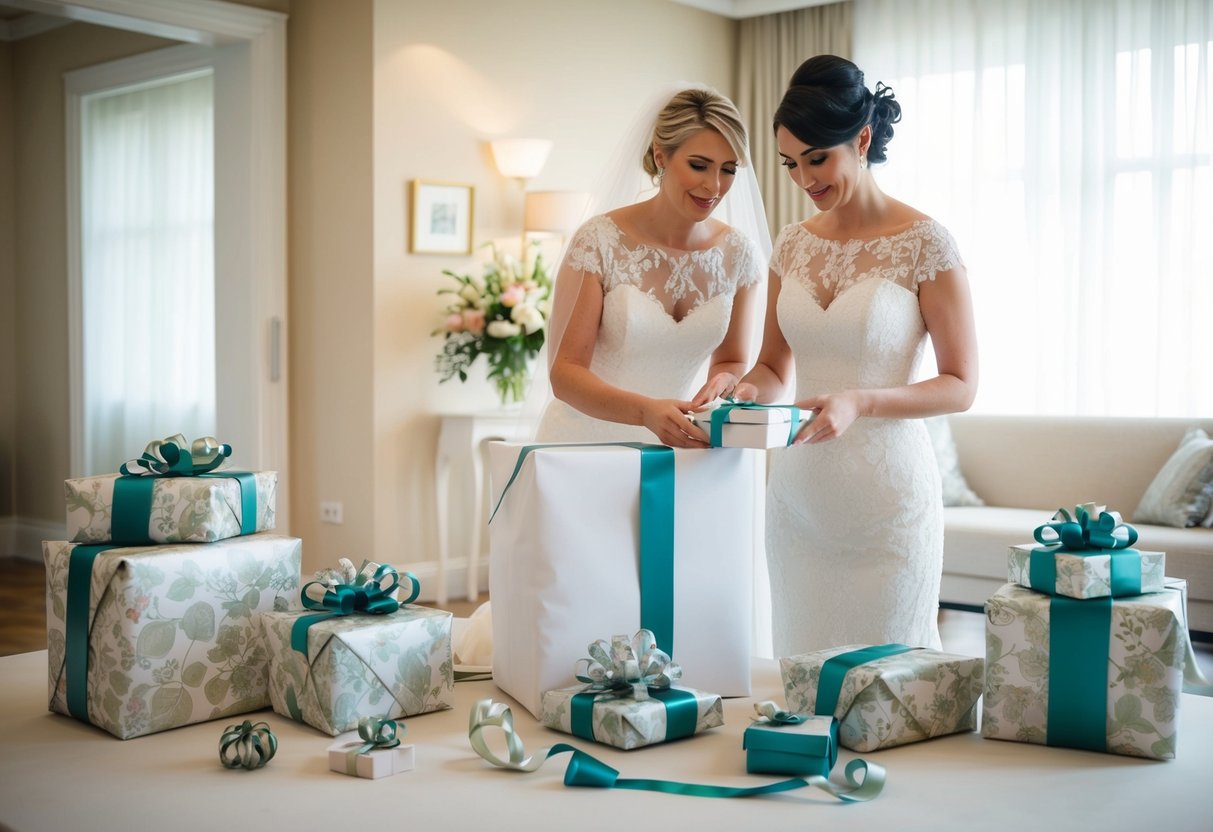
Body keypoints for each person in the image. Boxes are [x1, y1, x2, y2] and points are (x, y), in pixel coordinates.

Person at [733, 55, 978, 655]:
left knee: (886, 693)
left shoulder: (926, 243)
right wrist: (741, 392)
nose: (804, 179)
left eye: (818, 158)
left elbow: (961, 383)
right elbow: (771, 367)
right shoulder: (790, 245)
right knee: (801, 685)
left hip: (887, 505)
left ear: (861, 138)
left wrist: (860, 400)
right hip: (797, 500)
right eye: (791, 163)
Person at [533, 85, 771, 447]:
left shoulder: (738, 255)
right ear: (661, 156)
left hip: (677, 446)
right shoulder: (599, 241)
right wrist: (645, 412)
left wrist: (725, 382)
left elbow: (732, 360)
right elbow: (565, 374)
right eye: (698, 165)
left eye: (728, 169)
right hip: (582, 445)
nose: (715, 186)